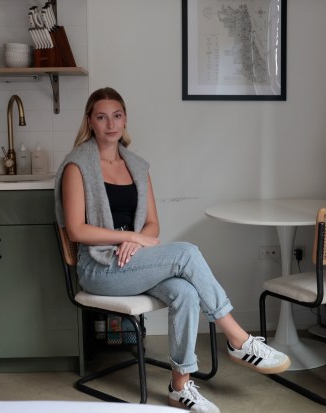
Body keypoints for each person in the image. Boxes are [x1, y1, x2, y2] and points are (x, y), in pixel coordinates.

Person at [54, 87, 291, 412]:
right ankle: (239, 339)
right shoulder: (76, 166)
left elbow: (152, 225)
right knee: (186, 253)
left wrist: (136, 242)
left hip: (133, 263)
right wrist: (130, 239)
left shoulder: (136, 166)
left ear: (125, 119)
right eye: (101, 116)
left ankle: (180, 386)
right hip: (99, 268)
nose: (111, 123)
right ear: (90, 121)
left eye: (117, 115)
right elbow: (77, 230)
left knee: (186, 293)